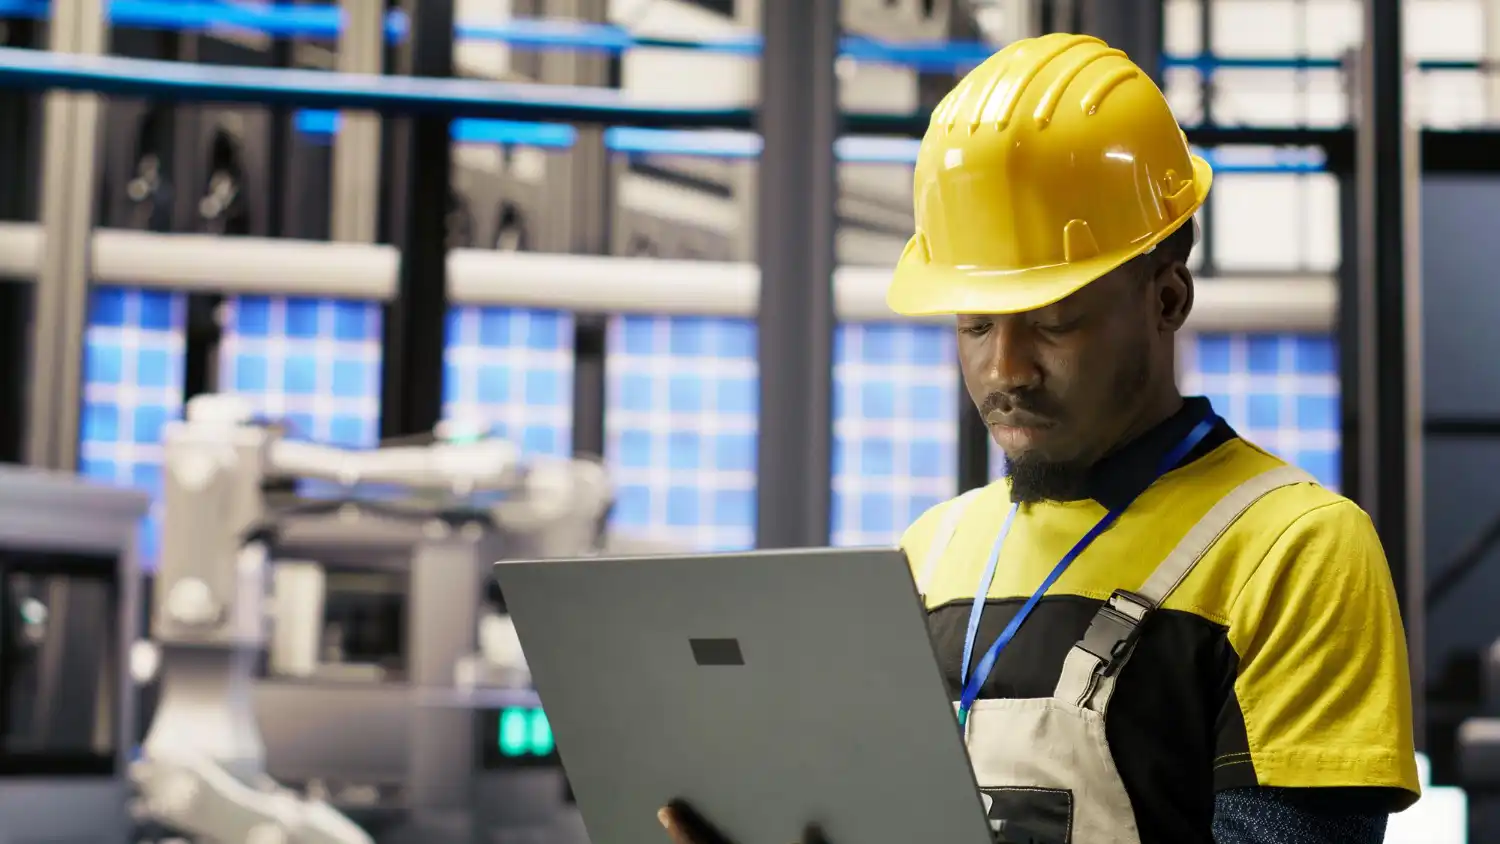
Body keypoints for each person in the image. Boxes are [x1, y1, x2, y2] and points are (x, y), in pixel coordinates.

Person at [659, 32, 1420, 844]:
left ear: (1166, 300)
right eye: (975, 324)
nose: (1005, 368)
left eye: (1054, 323)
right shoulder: (931, 555)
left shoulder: (1295, 552)